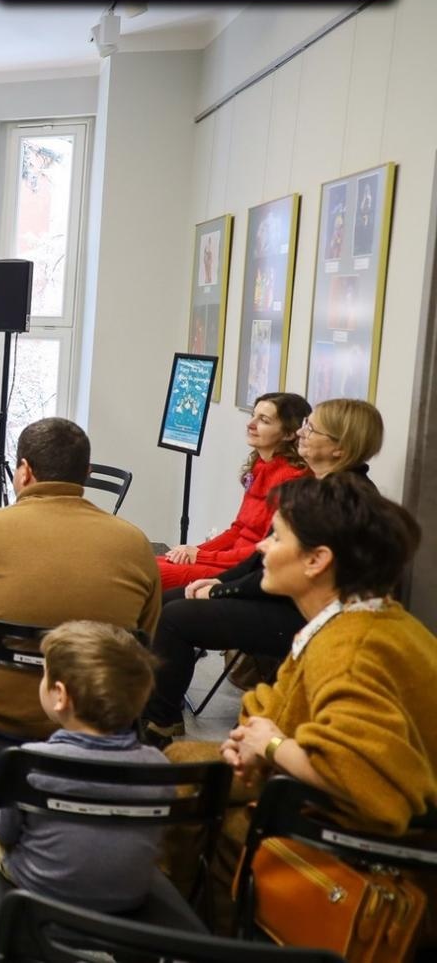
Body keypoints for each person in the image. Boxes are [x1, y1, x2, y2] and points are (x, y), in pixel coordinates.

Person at [163, 477, 436, 932]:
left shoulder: (351, 648)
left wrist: (270, 746)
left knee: (185, 783)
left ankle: (189, 936)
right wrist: (251, 737)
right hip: (316, 802)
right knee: (183, 762)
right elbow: (280, 703)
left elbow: (369, 783)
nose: (263, 550)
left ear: (317, 560)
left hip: (370, 849)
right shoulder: (361, 621)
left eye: (275, 537)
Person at [140, 398, 385, 744]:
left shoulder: (339, 499)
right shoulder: (315, 487)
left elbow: (281, 573)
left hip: (305, 617)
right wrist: (217, 580)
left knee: (176, 617)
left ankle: (160, 722)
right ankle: (157, 706)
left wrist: (221, 590)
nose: (301, 431)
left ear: (339, 448)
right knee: (170, 600)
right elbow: (261, 556)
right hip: (287, 601)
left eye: (311, 428)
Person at [0, 417, 160, 788]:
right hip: (98, 712)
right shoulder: (135, 543)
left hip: (3, 713)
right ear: (85, 473)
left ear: (23, 471)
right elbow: (142, 640)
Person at [0, 621, 170, 914]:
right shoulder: (159, 766)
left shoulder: (31, 762)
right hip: (128, 899)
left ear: (60, 695)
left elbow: (5, 830)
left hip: (39, 893)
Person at [157, 393, 310, 590]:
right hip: (227, 560)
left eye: (264, 420)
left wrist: (201, 556)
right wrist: (192, 551)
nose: (251, 424)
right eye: (253, 416)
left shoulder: (293, 482)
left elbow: (261, 553)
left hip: (245, 572)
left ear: (289, 434)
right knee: (145, 562)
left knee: (148, 572)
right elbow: (238, 529)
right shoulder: (260, 465)